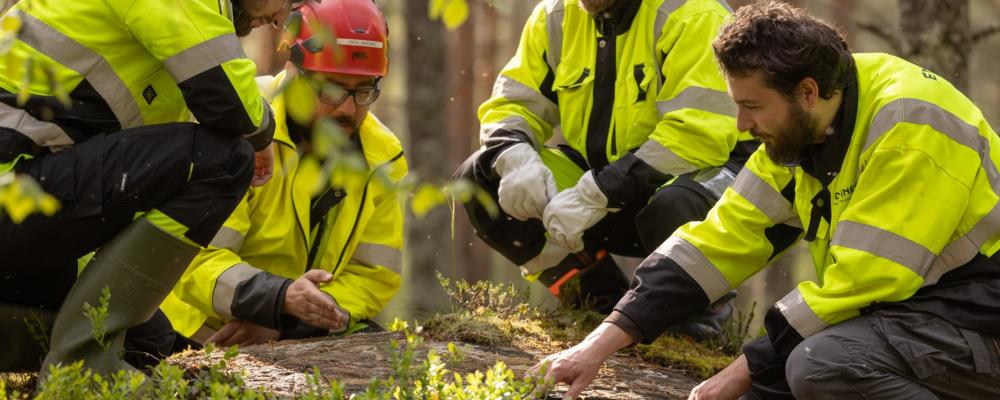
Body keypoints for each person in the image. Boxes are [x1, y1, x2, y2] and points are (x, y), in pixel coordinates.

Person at [531, 2, 1000, 399]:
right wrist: (595, 346)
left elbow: (866, 281)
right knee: (779, 375)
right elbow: (719, 240)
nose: (741, 125)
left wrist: (739, 371)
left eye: (751, 107)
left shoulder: (911, 125)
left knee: (820, 365)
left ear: (807, 92)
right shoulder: (805, 126)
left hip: (980, 320)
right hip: (912, 318)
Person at [0, 0, 296, 374]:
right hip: (14, 188)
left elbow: (111, 190)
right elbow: (232, 104)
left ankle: (68, 366)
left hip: (28, 200)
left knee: (147, 343)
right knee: (223, 160)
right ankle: (86, 374)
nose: (278, 19)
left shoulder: (175, 48)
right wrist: (261, 133)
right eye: (287, 2)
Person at [454, 0, 755, 339]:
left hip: (707, 187)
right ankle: (599, 307)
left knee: (675, 203)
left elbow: (698, 137)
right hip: (609, 186)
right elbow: (513, 102)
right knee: (481, 181)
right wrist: (514, 156)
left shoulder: (694, 13)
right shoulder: (555, 16)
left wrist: (597, 193)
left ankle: (693, 325)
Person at [161, 0, 407, 347]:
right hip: (198, 334)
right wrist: (277, 301)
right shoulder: (236, 125)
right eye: (333, 89)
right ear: (294, 75)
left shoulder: (381, 156)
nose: (349, 108)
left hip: (291, 331)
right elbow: (193, 260)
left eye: (365, 90)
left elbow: (374, 276)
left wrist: (287, 319)